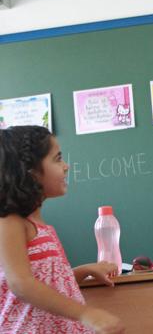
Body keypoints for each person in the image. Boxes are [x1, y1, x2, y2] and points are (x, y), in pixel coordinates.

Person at [0, 126, 125, 334]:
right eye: (58, 159)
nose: (66, 166)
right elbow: (21, 284)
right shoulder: (9, 221)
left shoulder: (43, 228)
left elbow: (48, 287)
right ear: (30, 173)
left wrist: (84, 271)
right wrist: (86, 314)